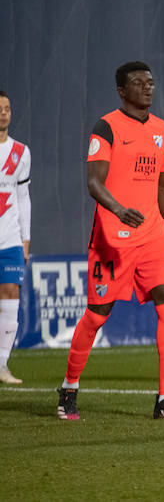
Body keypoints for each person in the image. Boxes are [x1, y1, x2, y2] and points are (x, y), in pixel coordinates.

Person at [59, 62, 164, 420]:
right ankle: (69, 387)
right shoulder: (106, 127)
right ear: (121, 91)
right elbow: (94, 182)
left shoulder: (163, 131)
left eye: (151, 82)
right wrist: (118, 210)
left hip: (153, 234)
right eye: (138, 83)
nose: (147, 88)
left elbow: (162, 185)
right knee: (97, 315)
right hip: (112, 236)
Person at [0, 91, 31, 385]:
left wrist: (26, 238)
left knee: (10, 294)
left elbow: (23, 197)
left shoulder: (21, 152)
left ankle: (2, 365)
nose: (4, 113)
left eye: (7, 108)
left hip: (9, 238)